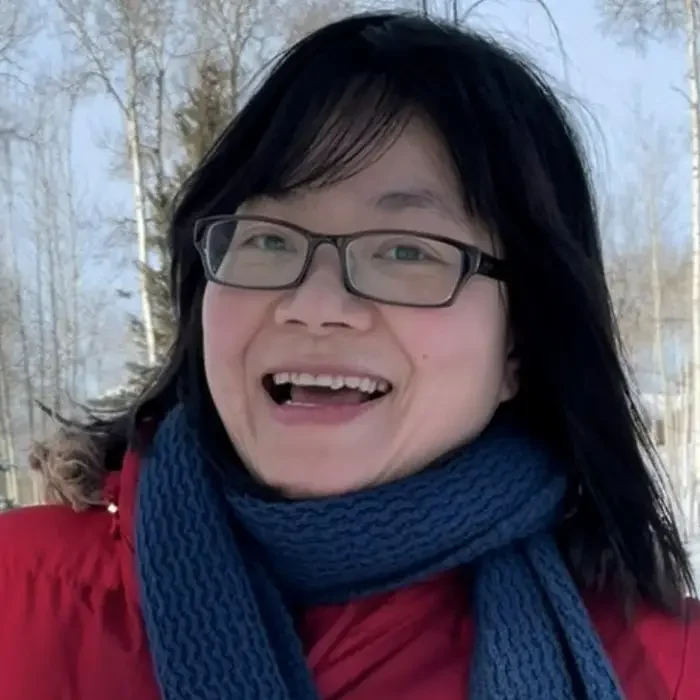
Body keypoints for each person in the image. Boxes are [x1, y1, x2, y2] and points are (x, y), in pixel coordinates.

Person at [0, 11, 698, 700]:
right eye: (269, 239)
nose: (315, 303)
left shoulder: (665, 669)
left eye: (404, 251)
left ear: (521, 338)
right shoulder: (22, 603)